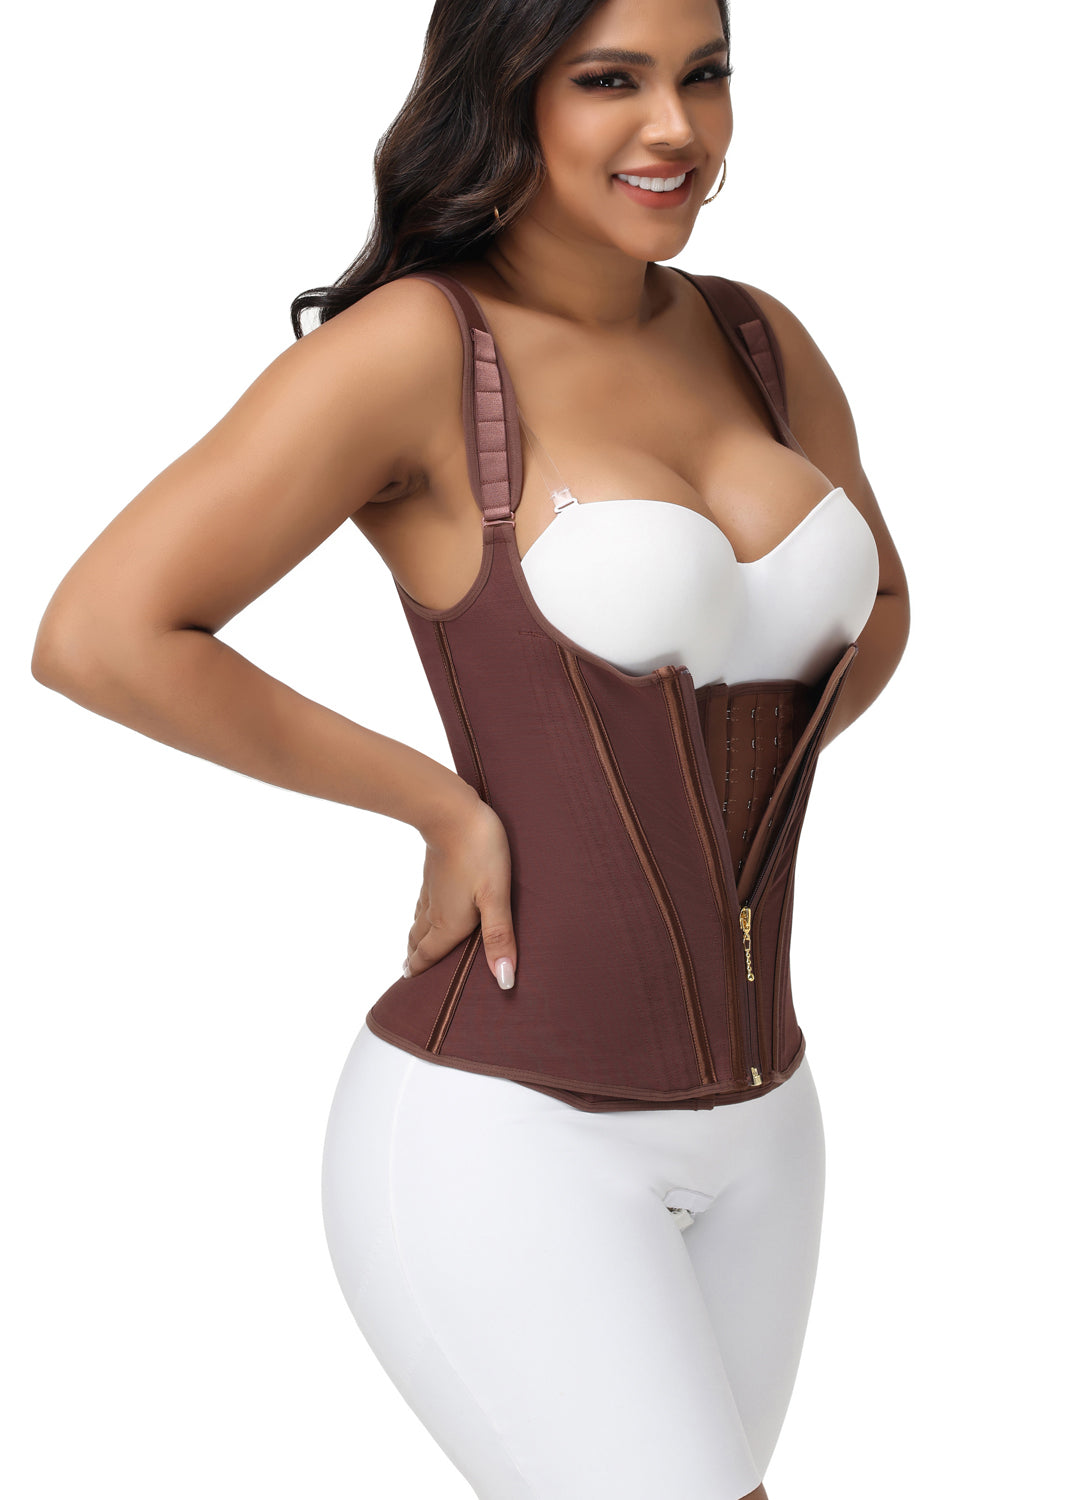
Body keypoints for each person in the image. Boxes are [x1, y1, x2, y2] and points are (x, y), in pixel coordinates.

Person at [31, 0, 909, 1495]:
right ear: (508, 92)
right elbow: (105, 632)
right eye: (611, 80)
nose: (676, 127)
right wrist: (441, 805)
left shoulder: (759, 341)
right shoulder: (418, 350)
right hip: (505, 1128)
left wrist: (732, 741)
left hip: (771, 1125)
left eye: (705, 75)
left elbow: (872, 605)